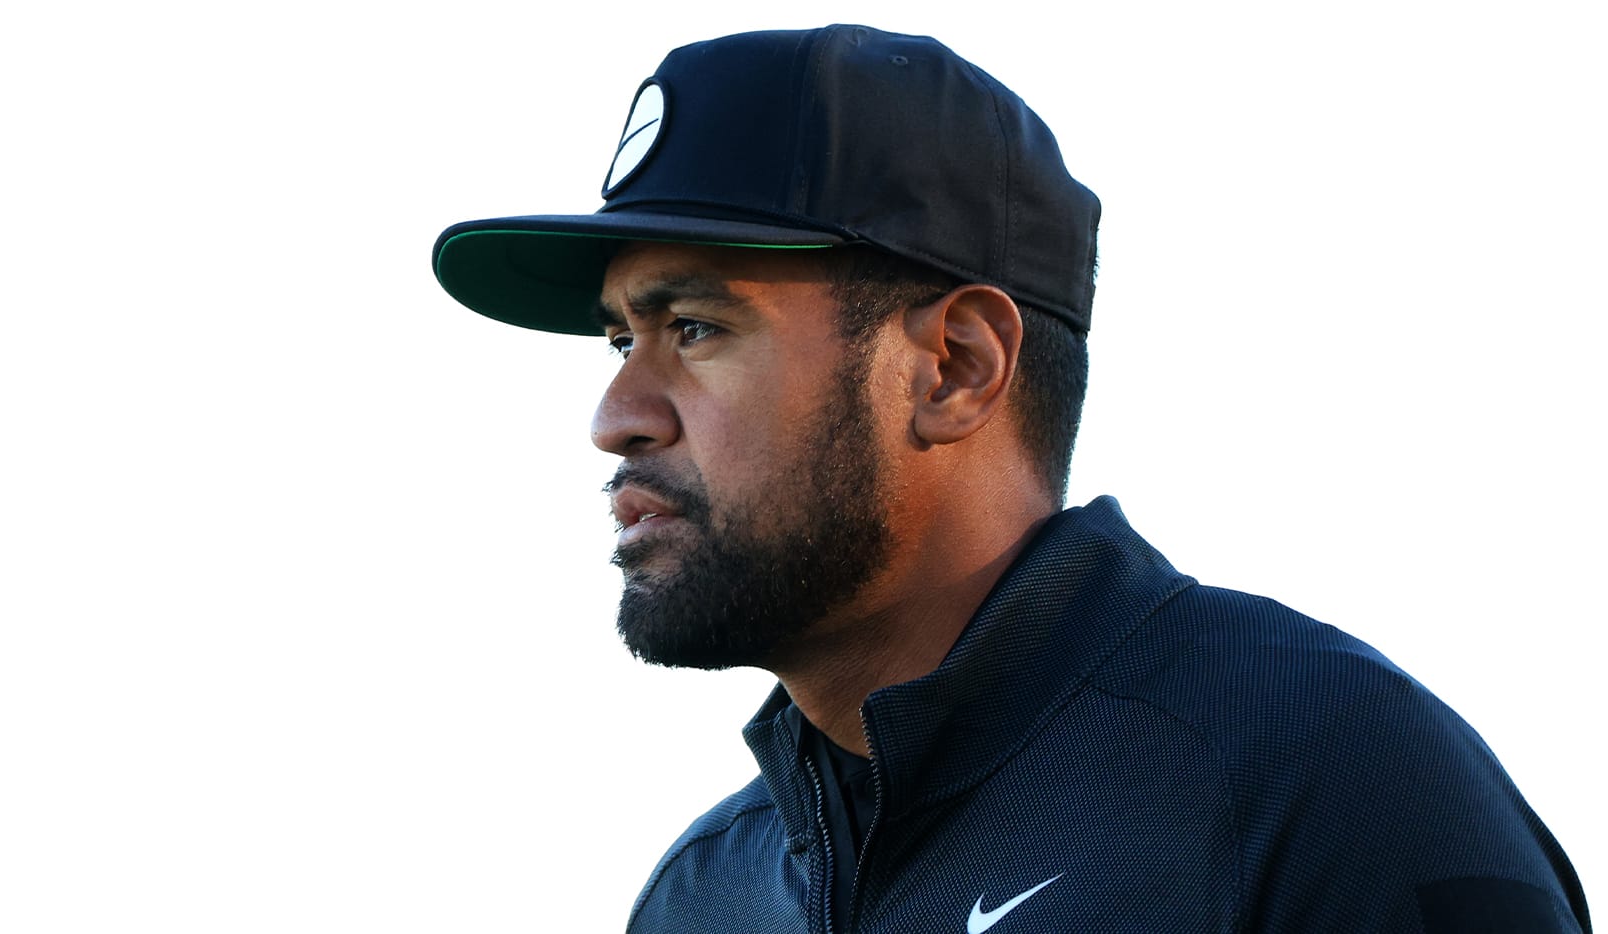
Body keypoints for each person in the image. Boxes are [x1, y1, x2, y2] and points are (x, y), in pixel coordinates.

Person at [430, 24, 1591, 934]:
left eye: (691, 328)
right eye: (614, 340)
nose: (614, 417)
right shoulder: (699, 897)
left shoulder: (1312, 776)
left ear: (954, 366)